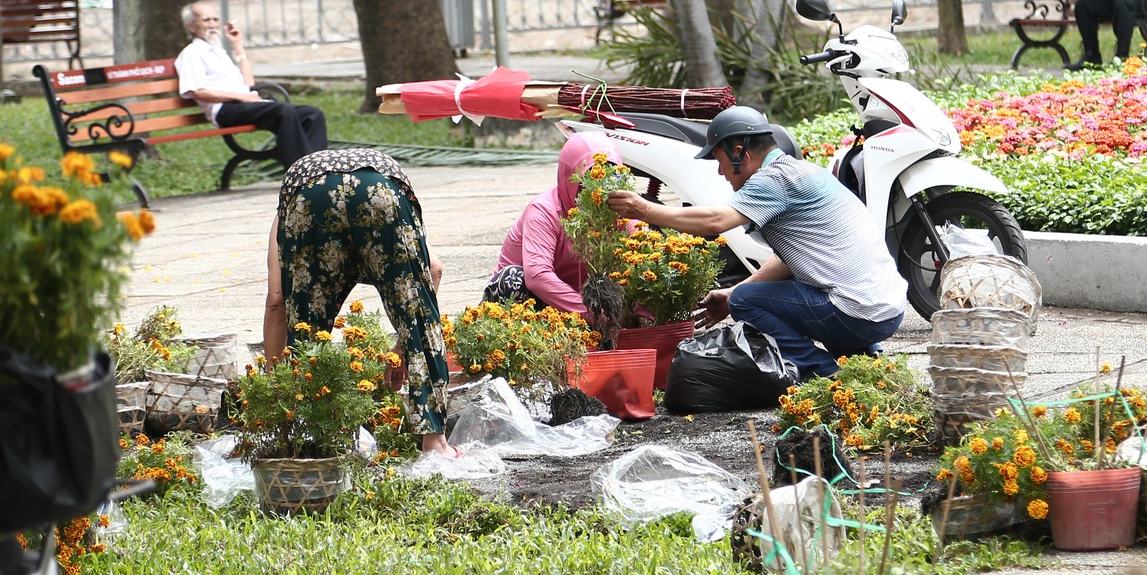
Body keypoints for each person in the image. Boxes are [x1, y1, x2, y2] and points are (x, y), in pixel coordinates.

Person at [604, 106, 906, 379]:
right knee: (744, 295)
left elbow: (716, 221)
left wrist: (644, 209)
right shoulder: (806, 171)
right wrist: (732, 290)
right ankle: (863, 353)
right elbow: (786, 262)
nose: (721, 172)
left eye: (720, 162)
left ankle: (824, 372)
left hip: (855, 313)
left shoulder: (773, 179)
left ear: (741, 153)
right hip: (886, 312)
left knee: (746, 302)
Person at [263, 147, 452, 455]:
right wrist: (403, 346)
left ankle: (300, 431)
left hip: (311, 197)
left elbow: (276, 301)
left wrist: (273, 392)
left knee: (304, 319)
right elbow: (434, 270)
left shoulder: (291, 201)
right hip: (379, 187)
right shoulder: (375, 177)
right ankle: (435, 443)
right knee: (416, 307)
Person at [174, 1, 328, 167]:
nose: (212, 24)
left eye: (215, 19)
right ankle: (300, 173)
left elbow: (248, 83)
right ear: (191, 27)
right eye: (206, 20)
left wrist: (238, 46)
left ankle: (317, 168)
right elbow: (197, 92)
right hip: (224, 109)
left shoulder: (219, 52)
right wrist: (241, 97)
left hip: (243, 104)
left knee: (312, 114)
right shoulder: (192, 53)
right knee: (284, 111)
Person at [486, 133, 623, 318]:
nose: (598, 192)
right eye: (588, 183)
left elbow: (641, 254)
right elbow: (537, 276)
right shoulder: (543, 211)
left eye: (608, 181)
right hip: (531, 305)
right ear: (570, 178)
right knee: (514, 279)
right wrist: (590, 314)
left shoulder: (619, 209)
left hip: (581, 306)